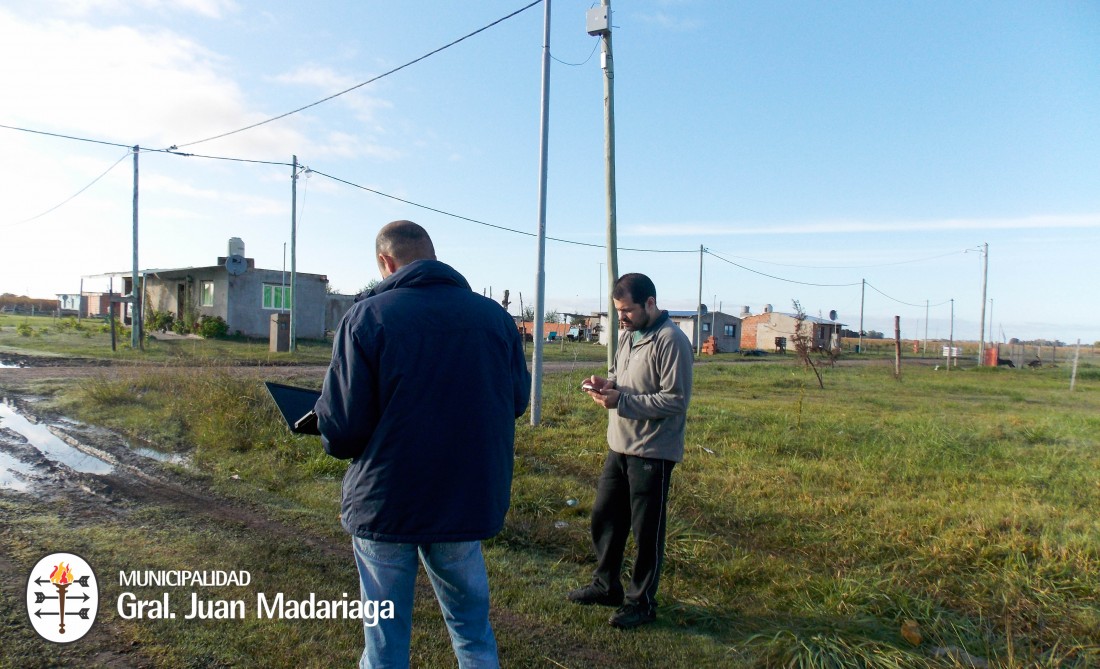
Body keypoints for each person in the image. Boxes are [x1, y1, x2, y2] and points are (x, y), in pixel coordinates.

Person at [315, 220, 531, 668]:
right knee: (472, 630)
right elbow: (514, 402)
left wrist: (325, 427)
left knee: (385, 641)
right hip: (464, 497)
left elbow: (343, 427)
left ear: (385, 263)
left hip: (387, 499)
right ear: (433, 256)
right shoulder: (493, 318)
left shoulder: (367, 317)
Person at [568, 273, 694, 629]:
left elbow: (676, 400)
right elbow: (619, 376)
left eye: (626, 310)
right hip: (619, 444)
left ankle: (641, 603)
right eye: (617, 311)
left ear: (650, 304)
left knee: (646, 532)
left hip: (653, 452)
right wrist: (606, 385)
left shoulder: (672, 341)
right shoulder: (627, 335)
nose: (621, 318)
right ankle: (606, 585)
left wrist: (621, 400)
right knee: (605, 518)